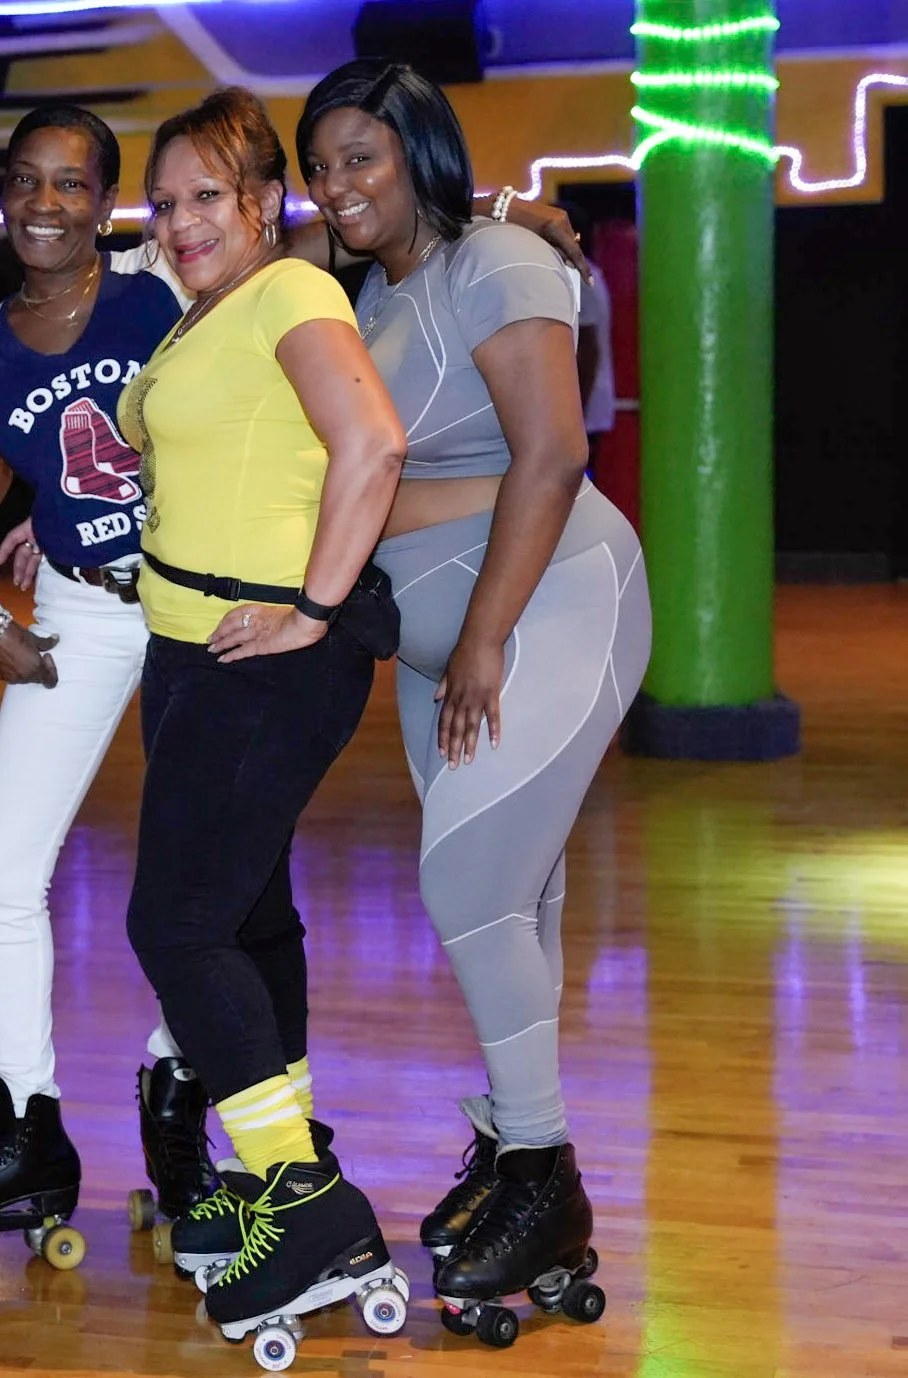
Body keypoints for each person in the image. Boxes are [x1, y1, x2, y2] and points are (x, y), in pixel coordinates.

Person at [298, 60, 650, 1336]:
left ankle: (543, 1172)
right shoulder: (358, 296)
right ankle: (512, 1154)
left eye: (362, 157)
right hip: (441, 641)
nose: (338, 185)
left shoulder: (492, 257)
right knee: (520, 892)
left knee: (464, 886)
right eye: (321, 162)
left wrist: (487, 635)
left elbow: (551, 454)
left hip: (550, 602)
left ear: (417, 155)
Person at [0, 103, 216, 1271]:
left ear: (106, 203)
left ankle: (177, 1102)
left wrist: (495, 210)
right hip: (76, 611)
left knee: (204, 881)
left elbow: (315, 257)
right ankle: (30, 1129)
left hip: (194, 604)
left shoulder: (161, 288)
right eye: (24, 182)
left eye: (70, 184)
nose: (43, 203)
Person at [117, 87, 410, 1338]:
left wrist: (311, 604)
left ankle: (305, 1198)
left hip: (262, 657)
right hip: (190, 656)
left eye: (205, 198)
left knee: (175, 925)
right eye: (165, 201)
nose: (181, 221)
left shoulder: (290, 293)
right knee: (245, 915)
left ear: (260, 202)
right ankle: (273, 1177)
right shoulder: (204, 316)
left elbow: (372, 444)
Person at [554, 200, 617, 472]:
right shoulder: (584, 271)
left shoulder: (577, 275)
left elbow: (588, 349)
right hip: (581, 406)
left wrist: (576, 411)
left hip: (583, 407)